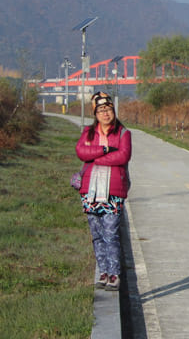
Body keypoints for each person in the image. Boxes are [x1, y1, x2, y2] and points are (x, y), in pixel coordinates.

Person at [75, 91, 132, 291]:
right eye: (101, 110)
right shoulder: (87, 133)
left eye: (108, 109)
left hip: (113, 190)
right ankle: (103, 272)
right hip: (89, 190)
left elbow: (123, 156)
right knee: (97, 234)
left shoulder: (124, 133)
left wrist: (95, 158)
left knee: (111, 232)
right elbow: (81, 151)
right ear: (95, 114)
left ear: (113, 111)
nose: (105, 114)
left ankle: (114, 274)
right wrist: (106, 150)